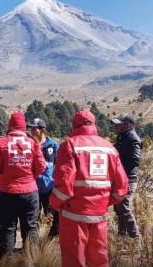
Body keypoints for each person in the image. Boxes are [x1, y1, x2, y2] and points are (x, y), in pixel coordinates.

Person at [50, 111, 128, 267]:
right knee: (98, 260)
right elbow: (122, 188)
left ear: (74, 125)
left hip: (73, 217)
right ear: (93, 125)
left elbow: (64, 188)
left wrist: (55, 204)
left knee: (75, 260)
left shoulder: (70, 145)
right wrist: (103, 202)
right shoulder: (109, 148)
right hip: (99, 217)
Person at [0, 112, 46, 257]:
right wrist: (30, 177)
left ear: (10, 125)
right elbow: (41, 166)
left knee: (8, 228)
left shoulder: (0, 143)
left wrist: (5, 177)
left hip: (8, 192)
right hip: (30, 192)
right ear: (23, 126)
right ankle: (33, 259)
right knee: (31, 228)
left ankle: (7, 261)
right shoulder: (33, 142)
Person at [111, 114, 142, 243]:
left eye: (119, 124)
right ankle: (122, 236)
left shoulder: (132, 138)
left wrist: (121, 171)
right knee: (118, 208)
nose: (115, 126)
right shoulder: (123, 136)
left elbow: (135, 160)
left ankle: (136, 239)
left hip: (128, 179)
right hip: (122, 178)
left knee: (123, 207)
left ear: (128, 125)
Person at [27, 118, 60, 239]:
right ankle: (32, 247)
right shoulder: (28, 145)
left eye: (34, 128)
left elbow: (62, 166)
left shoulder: (54, 146)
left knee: (52, 218)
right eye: (30, 128)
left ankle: (50, 246)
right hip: (32, 189)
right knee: (32, 219)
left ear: (42, 130)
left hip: (49, 189)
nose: (31, 130)